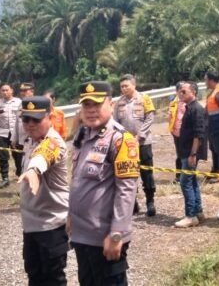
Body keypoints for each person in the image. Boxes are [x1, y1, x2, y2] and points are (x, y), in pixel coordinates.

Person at [68, 81, 139, 285]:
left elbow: (126, 191)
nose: (91, 111)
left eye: (97, 105)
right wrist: (71, 215)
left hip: (105, 238)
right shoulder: (83, 135)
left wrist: (117, 234)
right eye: (86, 105)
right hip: (82, 236)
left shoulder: (120, 140)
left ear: (111, 104)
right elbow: (79, 181)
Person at [16, 96, 70, 285]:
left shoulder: (54, 141)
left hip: (51, 225)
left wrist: (33, 171)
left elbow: (43, 157)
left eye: (36, 120)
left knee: (53, 278)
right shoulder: (30, 141)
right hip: (31, 224)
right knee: (34, 275)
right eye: (26, 119)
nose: (30, 124)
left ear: (49, 117)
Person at [113, 74, 157, 216]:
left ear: (134, 85)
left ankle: (150, 201)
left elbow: (150, 117)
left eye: (126, 85)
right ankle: (133, 203)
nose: (124, 88)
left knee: (147, 173)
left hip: (143, 142)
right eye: (121, 86)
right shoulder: (119, 103)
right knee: (129, 173)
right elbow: (115, 122)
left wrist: (140, 136)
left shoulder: (144, 99)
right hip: (126, 146)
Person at [174, 81, 207, 228]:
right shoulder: (188, 108)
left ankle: (191, 215)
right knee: (192, 180)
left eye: (184, 91)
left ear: (193, 92)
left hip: (190, 152)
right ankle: (198, 211)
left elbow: (198, 134)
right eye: (180, 91)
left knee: (185, 182)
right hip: (185, 151)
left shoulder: (197, 109)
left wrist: (193, 154)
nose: (180, 93)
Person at [0, 84, 22, 189]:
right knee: (2, 156)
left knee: (18, 155)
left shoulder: (19, 102)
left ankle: (20, 174)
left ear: (11, 91)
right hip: (2, 132)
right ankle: (5, 178)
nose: (5, 92)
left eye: (7, 90)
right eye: (3, 90)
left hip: (15, 132)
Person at [168, 82, 185, 184]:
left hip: (186, 133)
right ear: (177, 92)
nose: (183, 93)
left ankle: (187, 176)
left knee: (187, 155)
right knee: (180, 155)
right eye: (181, 91)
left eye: (184, 91)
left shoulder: (189, 102)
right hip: (176, 133)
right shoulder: (173, 103)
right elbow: (170, 117)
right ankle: (179, 176)